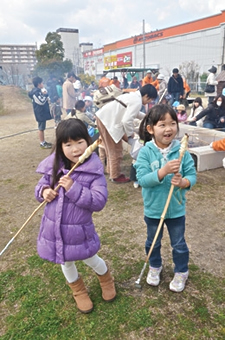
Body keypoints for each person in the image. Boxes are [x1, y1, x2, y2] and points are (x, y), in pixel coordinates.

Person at [35, 119, 116, 313]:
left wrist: (73, 188)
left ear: (88, 142)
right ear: (60, 146)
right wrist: (44, 191)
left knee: (91, 258)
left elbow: (98, 201)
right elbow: (40, 185)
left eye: (79, 142)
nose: (75, 149)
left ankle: (106, 279)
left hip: (79, 230)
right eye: (68, 144)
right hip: (55, 229)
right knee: (66, 261)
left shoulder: (94, 171)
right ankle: (78, 291)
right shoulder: (54, 166)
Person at [134, 104, 196, 292]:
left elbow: (192, 176)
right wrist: (163, 172)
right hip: (154, 210)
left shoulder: (182, 151)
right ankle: (154, 266)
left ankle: (181, 271)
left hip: (176, 209)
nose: (168, 129)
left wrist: (184, 182)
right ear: (151, 129)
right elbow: (143, 179)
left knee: (178, 243)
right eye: (162, 124)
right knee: (153, 241)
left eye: (172, 123)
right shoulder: (145, 152)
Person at [96, 84, 157, 183]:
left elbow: (135, 113)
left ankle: (110, 171)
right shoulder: (137, 101)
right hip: (108, 122)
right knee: (116, 149)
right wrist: (130, 133)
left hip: (104, 118)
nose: (149, 102)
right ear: (146, 96)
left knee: (109, 148)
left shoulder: (132, 96)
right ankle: (115, 176)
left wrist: (147, 117)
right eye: (150, 100)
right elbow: (126, 121)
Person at [28, 76, 52, 149]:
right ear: (38, 84)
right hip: (40, 112)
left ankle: (43, 141)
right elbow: (41, 102)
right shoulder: (36, 92)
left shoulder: (38, 91)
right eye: (42, 83)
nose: (43, 84)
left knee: (42, 127)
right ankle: (42, 143)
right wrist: (45, 95)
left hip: (41, 112)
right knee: (41, 128)